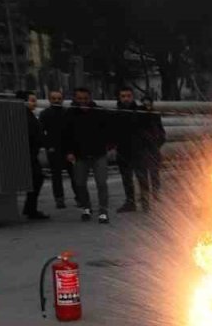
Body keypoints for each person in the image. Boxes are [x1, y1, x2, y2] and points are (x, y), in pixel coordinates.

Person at [62, 87, 112, 224]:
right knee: (80, 183)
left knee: (101, 183)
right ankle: (86, 208)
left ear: (90, 98)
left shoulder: (100, 112)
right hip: (79, 155)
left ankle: (103, 211)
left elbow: (110, 129)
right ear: (75, 99)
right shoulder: (70, 114)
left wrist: (109, 144)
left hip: (99, 154)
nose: (83, 101)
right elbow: (65, 135)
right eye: (80, 98)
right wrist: (69, 152)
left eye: (85, 98)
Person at [112, 86, 143, 213]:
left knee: (142, 178)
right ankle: (130, 202)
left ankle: (146, 202)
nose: (126, 99)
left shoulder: (140, 112)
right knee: (126, 178)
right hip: (123, 151)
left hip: (139, 150)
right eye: (123, 96)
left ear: (133, 97)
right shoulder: (116, 114)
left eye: (128, 96)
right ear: (119, 98)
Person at [20, 92, 50, 220]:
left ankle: (30, 208)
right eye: (32, 100)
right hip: (28, 154)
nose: (35, 103)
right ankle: (30, 209)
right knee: (36, 179)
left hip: (31, 153)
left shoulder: (28, 115)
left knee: (36, 179)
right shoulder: (24, 116)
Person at [39, 89, 71, 208]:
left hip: (68, 148)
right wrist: (48, 146)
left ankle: (79, 197)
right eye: (54, 98)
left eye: (59, 98)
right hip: (54, 149)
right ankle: (59, 199)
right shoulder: (45, 114)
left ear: (62, 99)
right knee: (56, 176)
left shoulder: (67, 112)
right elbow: (41, 133)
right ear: (49, 100)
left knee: (74, 174)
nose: (57, 101)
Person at [135, 96, 166, 210]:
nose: (147, 107)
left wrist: (160, 140)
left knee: (154, 174)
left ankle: (155, 193)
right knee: (142, 176)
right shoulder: (137, 115)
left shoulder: (155, 115)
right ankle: (145, 200)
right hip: (141, 150)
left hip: (153, 149)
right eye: (145, 104)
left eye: (149, 104)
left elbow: (160, 130)